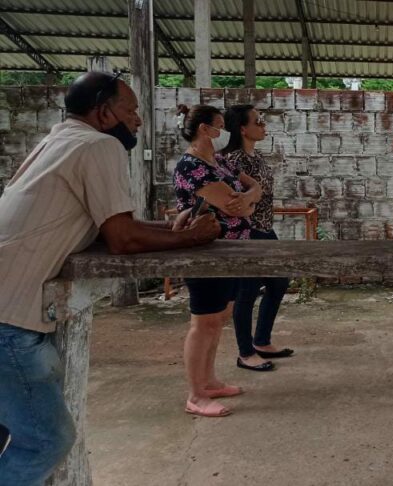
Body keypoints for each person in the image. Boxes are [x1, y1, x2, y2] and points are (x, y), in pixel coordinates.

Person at [0, 72, 219, 485]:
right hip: (9, 317)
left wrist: (170, 232)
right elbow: (122, 239)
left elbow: (114, 225)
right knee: (47, 441)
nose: (138, 121)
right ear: (104, 113)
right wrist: (192, 237)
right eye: (132, 111)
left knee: (10, 430)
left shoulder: (59, 139)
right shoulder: (100, 146)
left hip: (6, 304)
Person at [174, 104, 264, 416]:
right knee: (204, 322)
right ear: (204, 129)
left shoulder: (219, 160)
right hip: (205, 252)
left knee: (220, 317)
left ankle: (209, 381)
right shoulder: (191, 167)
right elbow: (234, 206)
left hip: (233, 249)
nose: (222, 132)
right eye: (218, 126)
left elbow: (255, 187)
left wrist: (248, 199)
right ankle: (196, 395)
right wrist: (247, 204)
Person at [220, 105, 293, 370]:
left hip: (263, 228)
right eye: (258, 122)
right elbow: (228, 201)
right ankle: (245, 353)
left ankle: (261, 341)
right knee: (246, 292)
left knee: (279, 283)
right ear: (242, 128)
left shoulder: (256, 157)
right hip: (244, 232)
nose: (263, 125)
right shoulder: (231, 160)